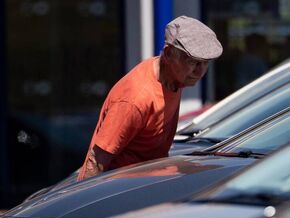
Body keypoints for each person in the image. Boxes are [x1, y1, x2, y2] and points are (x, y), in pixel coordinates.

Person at [78, 16, 222, 180]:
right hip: (121, 192)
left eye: (206, 63)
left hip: (148, 184)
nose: (200, 71)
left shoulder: (174, 77)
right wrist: (84, 204)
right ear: (168, 54)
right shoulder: (135, 98)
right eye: (192, 62)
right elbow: (96, 161)